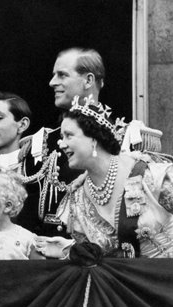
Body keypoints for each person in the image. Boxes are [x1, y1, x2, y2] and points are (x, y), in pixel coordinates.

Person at [19, 47, 163, 238]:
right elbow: (27, 220)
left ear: (88, 80)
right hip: (51, 259)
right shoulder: (41, 144)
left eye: (62, 75)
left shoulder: (132, 138)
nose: (52, 82)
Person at [35, 96, 173, 258]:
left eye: (68, 135)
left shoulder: (148, 173)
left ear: (94, 137)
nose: (61, 144)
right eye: (61, 137)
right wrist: (69, 250)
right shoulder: (77, 200)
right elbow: (105, 254)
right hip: (125, 281)